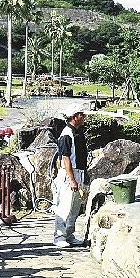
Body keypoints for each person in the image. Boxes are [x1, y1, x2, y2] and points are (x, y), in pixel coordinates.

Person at [51, 103, 89, 248]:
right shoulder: (67, 134)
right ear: (74, 117)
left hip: (78, 171)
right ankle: (59, 236)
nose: (83, 117)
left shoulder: (78, 132)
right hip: (69, 174)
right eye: (81, 114)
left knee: (74, 207)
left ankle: (69, 234)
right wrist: (72, 179)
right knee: (65, 205)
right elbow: (65, 158)